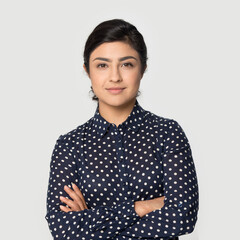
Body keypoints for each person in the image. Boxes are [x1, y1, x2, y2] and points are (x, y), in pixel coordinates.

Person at [45, 19, 199, 240]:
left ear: (143, 68)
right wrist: (142, 208)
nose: (115, 76)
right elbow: (62, 229)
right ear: (87, 71)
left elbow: (182, 216)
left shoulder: (167, 133)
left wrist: (90, 223)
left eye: (126, 64)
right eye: (102, 65)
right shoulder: (70, 145)